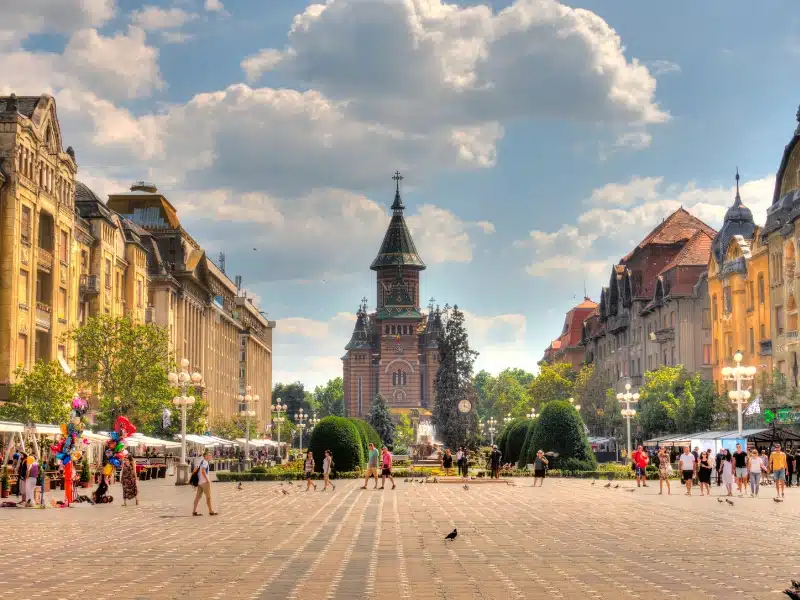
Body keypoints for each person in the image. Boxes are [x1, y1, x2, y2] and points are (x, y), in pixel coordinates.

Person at [192, 450, 217, 516]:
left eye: (210, 455)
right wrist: (207, 480)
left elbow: (195, 469)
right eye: (209, 455)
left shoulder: (201, 461)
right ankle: (211, 511)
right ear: (205, 456)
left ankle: (194, 511)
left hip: (200, 482)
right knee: (208, 497)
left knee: (197, 497)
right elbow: (203, 471)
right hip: (205, 482)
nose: (210, 457)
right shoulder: (205, 462)